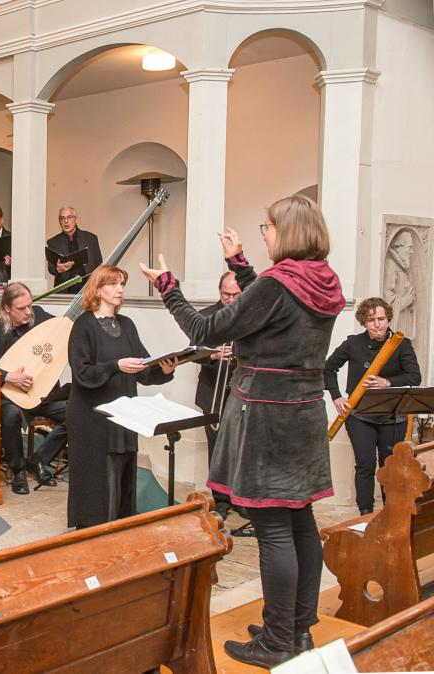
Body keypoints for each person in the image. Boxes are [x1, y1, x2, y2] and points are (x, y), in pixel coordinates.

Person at [141, 195, 345, 668]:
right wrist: (240, 264)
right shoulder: (323, 279)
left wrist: (168, 287)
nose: (264, 233)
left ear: (286, 232)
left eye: (267, 227)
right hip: (305, 410)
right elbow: (274, 308)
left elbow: (206, 328)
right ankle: (297, 629)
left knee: (273, 526)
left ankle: (276, 642)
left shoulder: (277, 284)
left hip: (267, 414)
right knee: (300, 522)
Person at [67, 264, 175, 528]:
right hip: (92, 417)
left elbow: (142, 370)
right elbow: (82, 374)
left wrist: (164, 371)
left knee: (122, 474)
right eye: (113, 284)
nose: (120, 290)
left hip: (124, 414)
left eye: (122, 284)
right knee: (99, 478)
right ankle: (95, 529)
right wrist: (115, 366)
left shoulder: (127, 324)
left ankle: (120, 527)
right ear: (98, 289)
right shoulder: (83, 325)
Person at [324, 297, 421, 515]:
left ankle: (391, 514)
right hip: (359, 416)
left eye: (381, 319)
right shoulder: (353, 343)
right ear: (363, 322)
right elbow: (328, 369)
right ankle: (365, 514)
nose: (377, 324)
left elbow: (415, 376)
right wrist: (337, 397)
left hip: (392, 417)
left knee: (389, 467)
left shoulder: (401, 344)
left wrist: (387, 382)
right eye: (371, 320)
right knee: (365, 465)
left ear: (388, 319)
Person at [0, 283, 67, 494]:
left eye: (30, 305)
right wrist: (8, 376)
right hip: (9, 396)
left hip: (40, 395)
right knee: (11, 415)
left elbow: (62, 329)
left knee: (77, 410)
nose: (28, 312)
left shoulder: (38, 316)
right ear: (6, 308)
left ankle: (39, 459)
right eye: (22, 308)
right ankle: (18, 469)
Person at [194, 270, 243, 521]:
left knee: (241, 448)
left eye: (236, 294)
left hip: (243, 393)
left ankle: (239, 497)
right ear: (219, 292)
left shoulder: (251, 316)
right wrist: (212, 355)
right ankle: (221, 499)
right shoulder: (205, 317)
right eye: (226, 294)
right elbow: (193, 352)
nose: (231, 299)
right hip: (213, 391)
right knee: (217, 449)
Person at [46, 207, 102, 293]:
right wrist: (58, 269)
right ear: (59, 221)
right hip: (64, 292)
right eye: (62, 218)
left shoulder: (91, 238)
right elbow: (51, 268)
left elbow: (99, 264)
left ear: (75, 219)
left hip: (88, 291)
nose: (66, 221)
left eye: (69, 217)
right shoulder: (53, 242)